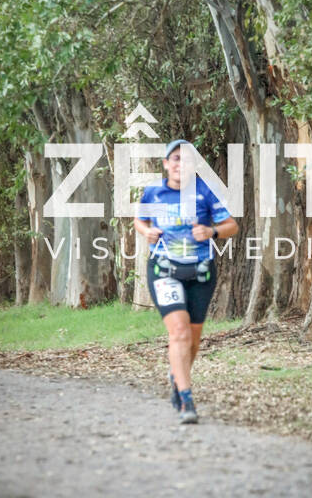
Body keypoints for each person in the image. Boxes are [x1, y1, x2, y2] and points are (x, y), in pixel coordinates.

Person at [134, 139, 239, 424]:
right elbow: (140, 220)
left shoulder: (205, 191)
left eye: (188, 159)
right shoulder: (154, 192)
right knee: (179, 332)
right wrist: (146, 232)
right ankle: (186, 399)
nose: (181, 164)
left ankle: (176, 375)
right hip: (164, 270)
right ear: (166, 164)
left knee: (192, 340)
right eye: (176, 158)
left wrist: (212, 232)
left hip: (200, 272)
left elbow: (232, 225)